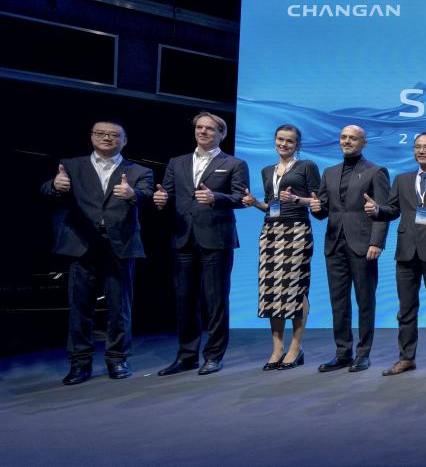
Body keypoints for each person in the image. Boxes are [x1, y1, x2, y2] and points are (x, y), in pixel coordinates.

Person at [41, 120, 154, 384]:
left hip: (120, 245)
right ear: (91, 136)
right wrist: (55, 186)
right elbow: (46, 191)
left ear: (124, 141)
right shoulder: (71, 165)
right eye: (100, 133)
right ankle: (80, 363)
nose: (106, 137)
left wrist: (132, 194)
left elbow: (147, 195)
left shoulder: (139, 171)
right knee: (80, 308)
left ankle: (117, 359)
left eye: (114, 135)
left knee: (120, 307)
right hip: (82, 244)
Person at [152, 111, 249, 376]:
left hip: (216, 239)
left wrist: (216, 197)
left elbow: (241, 198)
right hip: (183, 237)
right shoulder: (177, 162)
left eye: (209, 128)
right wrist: (161, 200)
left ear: (221, 134)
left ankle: (214, 356)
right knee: (185, 300)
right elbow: (167, 195)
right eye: (199, 127)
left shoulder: (234, 163)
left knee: (215, 301)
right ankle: (187, 356)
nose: (203, 132)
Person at [367, 132, 426, 377]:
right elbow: (392, 209)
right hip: (406, 251)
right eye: (417, 147)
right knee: (406, 309)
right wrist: (377, 210)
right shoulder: (402, 179)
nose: (421, 151)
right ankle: (406, 358)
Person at [310, 125, 389, 373]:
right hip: (334, 243)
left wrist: (377, 242)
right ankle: (343, 353)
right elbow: (323, 210)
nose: (347, 141)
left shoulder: (376, 171)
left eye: (353, 138)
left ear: (364, 143)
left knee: (365, 301)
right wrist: (316, 208)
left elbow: (382, 210)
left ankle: (363, 353)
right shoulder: (329, 172)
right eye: (343, 137)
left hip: (363, 244)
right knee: (338, 302)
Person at [241, 124, 320, 371]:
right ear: (275, 140)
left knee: (295, 288)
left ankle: (295, 347)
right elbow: (271, 205)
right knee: (271, 289)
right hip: (270, 231)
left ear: (297, 144)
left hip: (297, 230)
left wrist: (296, 199)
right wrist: (255, 202)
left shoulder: (307, 166)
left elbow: (318, 201)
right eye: (280, 139)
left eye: (289, 141)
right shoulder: (267, 171)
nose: (284, 144)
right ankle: (277, 348)